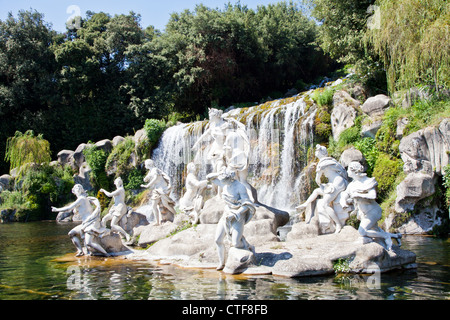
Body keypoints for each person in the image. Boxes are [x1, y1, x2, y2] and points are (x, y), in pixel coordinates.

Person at [341, 161, 402, 251]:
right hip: (363, 213)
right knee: (374, 229)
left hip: (373, 211)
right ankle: (395, 236)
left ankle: (386, 236)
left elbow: (373, 195)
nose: (347, 171)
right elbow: (345, 194)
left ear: (354, 171)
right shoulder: (352, 184)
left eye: (348, 169)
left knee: (362, 232)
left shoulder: (368, 181)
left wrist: (358, 195)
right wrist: (343, 202)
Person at [207, 169, 256, 271]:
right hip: (226, 215)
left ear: (230, 179)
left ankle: (248, 246)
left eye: (223, 179)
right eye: (221, 180)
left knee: (236, 244)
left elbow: (247, 204)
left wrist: (236, 214)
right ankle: (222, 262)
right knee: (218, 240)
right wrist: (219, 173)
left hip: (238, 216)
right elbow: (208, 177)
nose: (221, 182)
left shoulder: (240, 187)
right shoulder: (224, 183)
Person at [296, 145, 349, 233]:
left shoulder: (322, 163)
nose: (315, 152)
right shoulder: (331, 160)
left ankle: (338, 224)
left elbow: (318, 180)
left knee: (325, 204)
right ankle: (305, 204)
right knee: (316, 191)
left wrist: (321, 183)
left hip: (336, 183)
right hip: (338, 182)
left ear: (321, 153)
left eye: (317, 151)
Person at [52, 184, 94, 257]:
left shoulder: (81, 199)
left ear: (81, 190)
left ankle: (83, 251)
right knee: (71, 233)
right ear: (74, 191)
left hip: (88, 223)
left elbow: (69, 208)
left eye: (79, 189)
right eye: (76, 190)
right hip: (87, 222)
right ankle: (80, 251)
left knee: (73, 234)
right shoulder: (84, 198)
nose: (78, 191)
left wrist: (57, 209)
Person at [141, 159, 177, 226]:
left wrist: (147, 185)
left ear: (148, 164)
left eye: (145, 164)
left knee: (166, 204)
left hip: (163, 189)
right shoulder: (151, 171)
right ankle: (157, 222)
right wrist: (145, 179)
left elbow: (155, 178)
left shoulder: (155, 170)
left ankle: (176, 215)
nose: (145, 165)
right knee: (154, 205)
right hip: (157, 189)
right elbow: (147, 178)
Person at [101, 177, 131, 242]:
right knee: (104, 219)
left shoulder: (120, 189)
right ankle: (104, 232)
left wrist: (103, 190)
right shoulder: (119, 189)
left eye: (117, 182)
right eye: (116, 182)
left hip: (120, 208)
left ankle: (126, 235)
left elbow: (109, 195)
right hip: (115, 208)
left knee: (113, 224)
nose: (116, 183)